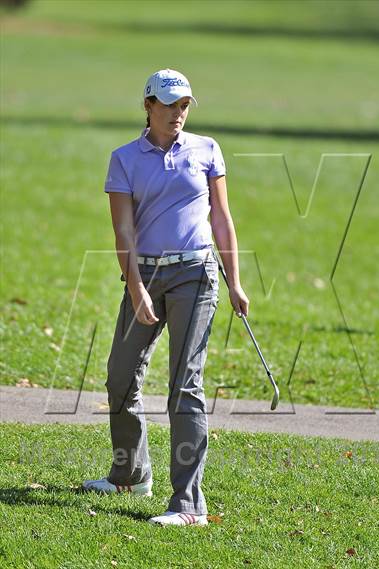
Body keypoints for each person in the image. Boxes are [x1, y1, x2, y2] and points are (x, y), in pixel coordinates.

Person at [82, 68, 249, 526]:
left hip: (196, 274)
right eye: (169, 104)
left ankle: (188, 505)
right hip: (146, 275)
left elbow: (221, 220)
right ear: (148, 106)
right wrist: (136, 288)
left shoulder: (207, 150)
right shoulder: (123, 159)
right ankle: (130, 474)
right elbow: (123, 230)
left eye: (184, 105)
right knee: (120, 377)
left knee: (184, 386)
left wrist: (234, 280)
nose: (178, 113)